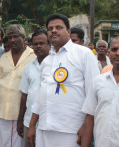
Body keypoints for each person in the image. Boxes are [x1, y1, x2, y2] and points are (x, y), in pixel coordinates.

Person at [27, 13, 99, 147]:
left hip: (71, 130)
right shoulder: (47, 61)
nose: (53, 30)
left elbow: (93, 93)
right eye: (50, 28)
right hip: (44, 127)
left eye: (58, 27)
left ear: (69, 31)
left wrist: (86, 126)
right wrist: (32, 126)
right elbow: (39, 96)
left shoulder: (84, 54)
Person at [0, 24, 36, 147]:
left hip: (22, 114)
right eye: (10, 37)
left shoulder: (34, 57)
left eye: (16, 37)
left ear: (23, 38)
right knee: (3, 143)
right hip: (3, 112)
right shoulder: (4, 57)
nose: (12, 40)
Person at [17, 29, 50, 147]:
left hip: (49, 123)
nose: (38, 46)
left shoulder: (57, 66)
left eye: (42, 43)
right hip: (28, 121)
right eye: (35, 44)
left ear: (49, 44)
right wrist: (20, 120)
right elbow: (24, 96)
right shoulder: (28, 68)